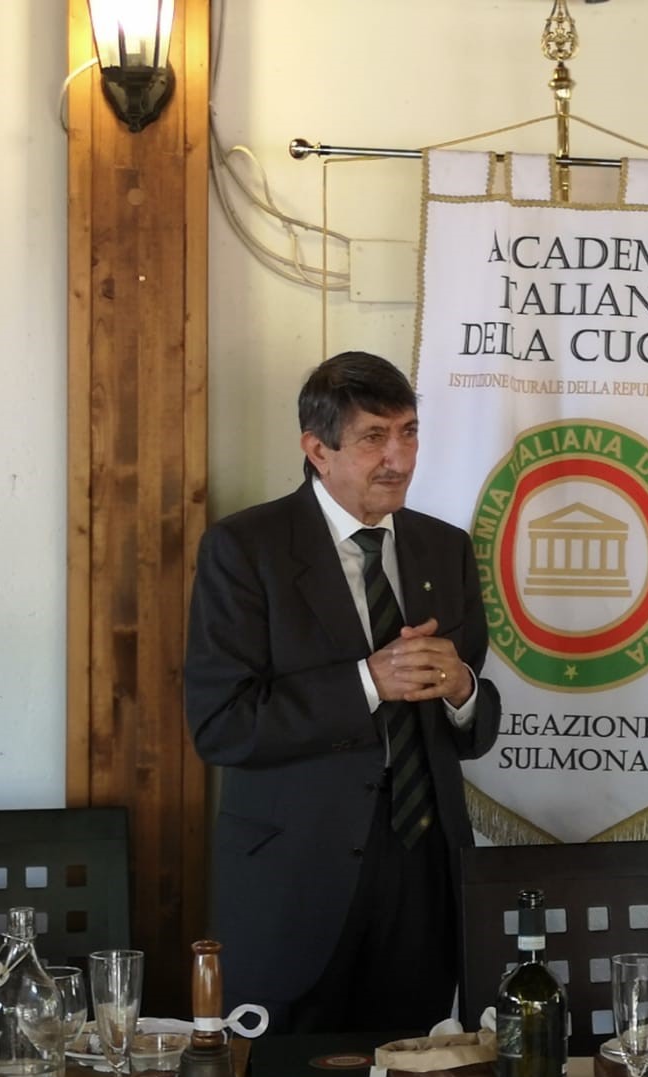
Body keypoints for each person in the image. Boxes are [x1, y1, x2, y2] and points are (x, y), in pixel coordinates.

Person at [184, 351, 501, 1034]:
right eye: (373, 438)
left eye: (409, 433)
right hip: (296, 876)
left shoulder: (446, 549)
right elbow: (222, 725)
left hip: (424, 876)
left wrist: (462, 688)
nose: (399, 459)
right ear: (317, 450)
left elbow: (472, 729)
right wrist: (367, 682)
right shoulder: (245, 549)